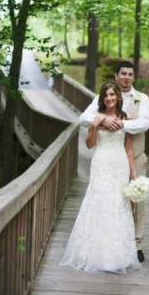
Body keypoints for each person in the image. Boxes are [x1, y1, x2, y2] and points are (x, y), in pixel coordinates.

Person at [60, 81, 141, 274]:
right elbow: (89, 145)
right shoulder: (96, 117)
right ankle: (93, 254)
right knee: (100, 201)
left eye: (113, 95)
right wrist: (95, 125)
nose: (110, 98)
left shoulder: (125, 118)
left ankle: (117, 255)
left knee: (118, 204)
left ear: (118, 97)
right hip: (101, 163)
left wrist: (134, 175)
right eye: (106, 95)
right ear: (102, 98)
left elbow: (128, 147)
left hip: (119, 164)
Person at [79, 60, 149, 263]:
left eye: (130, 74)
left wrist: (121, 123)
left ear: (133, 77)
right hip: (106, 158)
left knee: (137, 202)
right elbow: (84, 116)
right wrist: (102, 119)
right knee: (109, 198)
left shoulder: (142, 99)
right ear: (116, 75)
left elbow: (145, 123)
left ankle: (136, 245)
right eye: (123, 74)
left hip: (133, 156)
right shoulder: (105, 95)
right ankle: (103, 244)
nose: (126, 77)